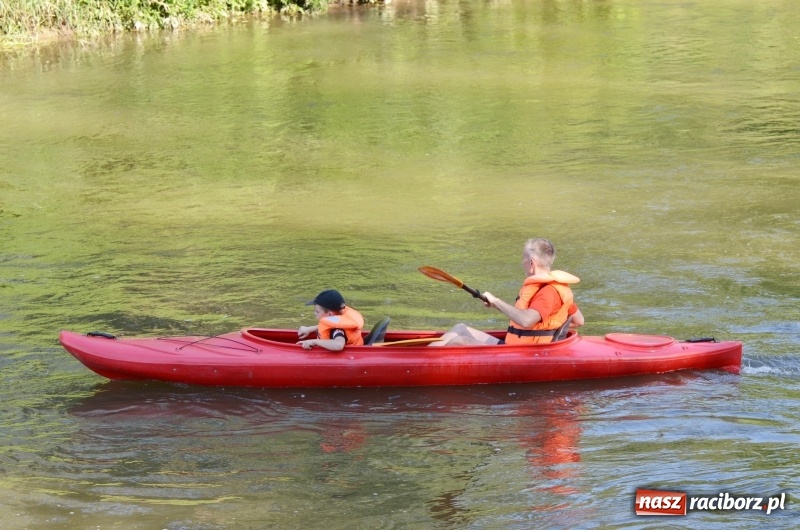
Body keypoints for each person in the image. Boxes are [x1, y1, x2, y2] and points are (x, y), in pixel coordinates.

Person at [431, 238, 584, 346]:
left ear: (531, 263)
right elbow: (578, 321)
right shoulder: (550, 287)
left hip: (526, 354)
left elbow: (526, 321)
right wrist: (549, 328)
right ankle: (424, 358)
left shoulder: (548, 292)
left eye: (524, 259)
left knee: (459, 341)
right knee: (459, 328)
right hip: (514, 346)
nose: (522, 263)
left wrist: (496, 302)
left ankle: (423, 368)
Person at [297, 289, 365, 351]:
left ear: (329, 314)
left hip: (351, 355)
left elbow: (338, 345)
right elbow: (330, 324)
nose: (314, 313)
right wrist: (310, 329)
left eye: (317, 311)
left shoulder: (336, 330)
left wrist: (313, 341)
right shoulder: (336, 320)